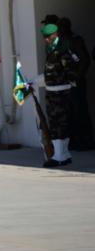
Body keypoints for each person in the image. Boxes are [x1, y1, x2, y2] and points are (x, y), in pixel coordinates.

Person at [38, 23, 78, 167]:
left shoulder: (62, 50)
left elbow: (71, 71)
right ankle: (64, 154)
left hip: (60, 94)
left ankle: (59, 156)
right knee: (58, 124)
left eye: (48, 37)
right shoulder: (52, 49)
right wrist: (35, 81)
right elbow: (51, 72)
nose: (46, 39)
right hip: (53, 92)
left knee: (58, 125)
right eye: (44, 37)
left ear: (55, 35)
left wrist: (65, 83)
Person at [58, 18, 93, 151]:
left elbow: (85, 60)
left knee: (80, 111)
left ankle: (85, 141)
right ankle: (73, 140)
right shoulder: (60, 42)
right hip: (65, 83)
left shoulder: (75, 40)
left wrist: (77, 77)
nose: (60, 30)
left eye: (62, 27)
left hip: (76, 82)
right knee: (68, 112)